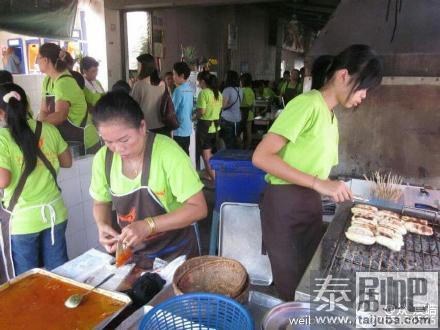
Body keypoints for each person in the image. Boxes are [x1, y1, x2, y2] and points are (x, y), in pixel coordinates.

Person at [252, 44, 383, 301]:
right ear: (343, 75)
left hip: (307, 205)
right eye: (364, 87)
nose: (365, 95)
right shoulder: (307, 105)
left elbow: (311, 166)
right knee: (293, 291)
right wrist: (318, 183)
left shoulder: (330, 116)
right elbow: (261, 156)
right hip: (286, 207)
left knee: (307, 285)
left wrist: (329, 184)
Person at [89, 91, 207, 269]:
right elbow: (101, 203)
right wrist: (102, 224)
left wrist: (149, 225)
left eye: (124, 139)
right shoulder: (103, 159)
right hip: (134, 256)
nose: (118, 148)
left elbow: (198, 208)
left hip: (175, 254)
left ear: (142, 126)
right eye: (108, 142)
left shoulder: (167, 153)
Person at [0, 83, 72, 281]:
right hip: (54, 214)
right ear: (27, 106)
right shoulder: (48, 130)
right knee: (61, 276)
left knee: (27, 282)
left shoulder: (2, 138)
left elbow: (3, 181)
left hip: (23, 222)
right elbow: (67, 162)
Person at [37, 43, 100, 154]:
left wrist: (36, 128)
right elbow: (43, 110)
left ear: (46, 60)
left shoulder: (64, 82)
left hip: (84, 141)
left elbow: (60, 115)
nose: (37, 62)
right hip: (66, 140)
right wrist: (37, 129)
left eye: (38, 58)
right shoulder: (47, 81)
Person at [131, 54, 170, 136]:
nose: (137, 68)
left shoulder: (139, 85)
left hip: (146, 127)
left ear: (143, 67)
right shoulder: (163, 83)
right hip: (163, 126)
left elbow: (132, 107)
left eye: (138, 65)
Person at [195, 72, 222, 181]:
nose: (198, 84)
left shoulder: (203, 93)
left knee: (206, 156)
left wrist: (193, 117)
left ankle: (216, 181)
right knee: (211, 153)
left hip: (205, 128)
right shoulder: (218, 93)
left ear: (203, 81)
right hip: (215, 127)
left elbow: (202, 111)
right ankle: (209, 174)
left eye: (198, 81)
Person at [172, 62, 194, 155]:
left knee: (179, 155)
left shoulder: (178, 90)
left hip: (179, 129)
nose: (173, 77)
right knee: (185, 153)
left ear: (181, 75)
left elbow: (172, 109)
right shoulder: (189, 89)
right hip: (187, 127)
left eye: (174, 74)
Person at [220, 70, 242, 149]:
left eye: (226, 76)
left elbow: (223, 105)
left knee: (228, 143)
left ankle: (229, 159)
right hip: (237, 119)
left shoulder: (227, 90)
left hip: (227, 119)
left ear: (228, 78)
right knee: (236, 139)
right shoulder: (240, 90)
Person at [240, 73, 255, 150]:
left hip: (243, 114)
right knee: (248, 132)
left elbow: (246, 104)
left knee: (243, 132)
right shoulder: (251, 91)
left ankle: (244, 148)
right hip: (249, 114)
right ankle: (247, 148)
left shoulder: (243, 90)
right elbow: (252, 103)